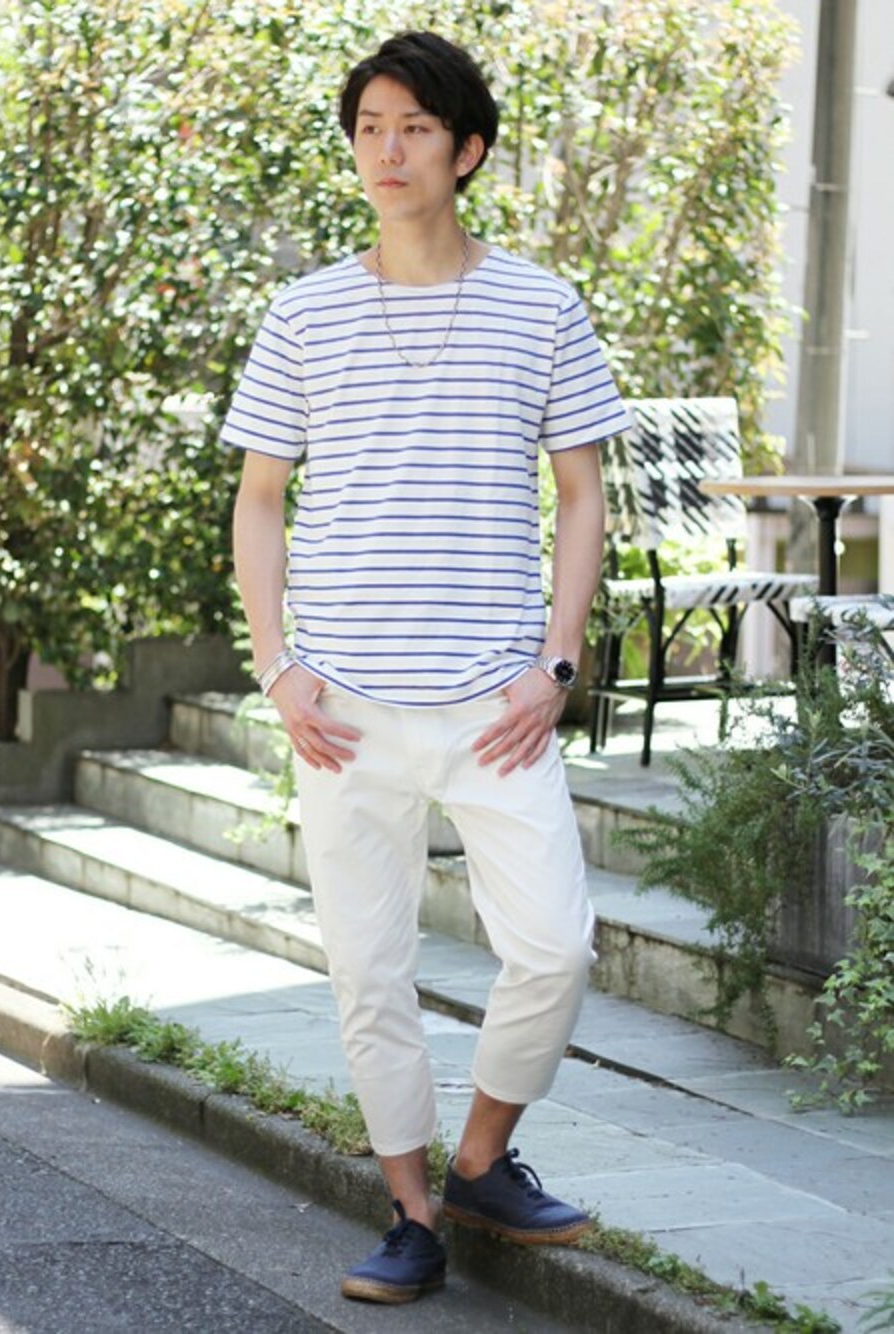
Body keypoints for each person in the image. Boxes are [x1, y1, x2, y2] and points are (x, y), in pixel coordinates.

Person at [226, 30, 634, 1306]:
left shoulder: (541, 304)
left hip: (495, 701)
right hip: (341, 706)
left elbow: (581, 495)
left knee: (554, 947)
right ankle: (410, 1211)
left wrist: (555, 661)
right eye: (368, 128)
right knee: (369, 972)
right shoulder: (304, 312)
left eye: (412, 127)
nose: (386, 150)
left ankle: (479, 1158)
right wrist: (277, 666)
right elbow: (257, 498)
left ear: (466, 149)